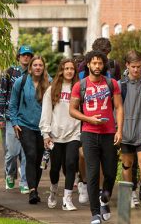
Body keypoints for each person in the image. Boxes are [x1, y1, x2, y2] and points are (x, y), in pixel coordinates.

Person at [69, 51, 123, 224]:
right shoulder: (80, 85)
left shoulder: (111, 83)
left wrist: (119, 130)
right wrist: (89, 119)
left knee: (110, 172)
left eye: (100, 63)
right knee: (92, 174)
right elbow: (72, 110)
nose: (97, 66)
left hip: (108, 134)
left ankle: (104, 199)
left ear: (103, 65)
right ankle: (95, 214)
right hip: (89, 133)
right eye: (94, 63)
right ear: (88, 65)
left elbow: (119, 108)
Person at [40, 58, 81, 211]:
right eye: (66, 68)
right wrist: (45, 133)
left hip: (74, 133)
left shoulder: (79, 88)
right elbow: (46, 112)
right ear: (61, 71)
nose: (69, 71)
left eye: (72, 69)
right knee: (55, 168)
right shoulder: (52, 89)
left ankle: (67, 200)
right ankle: (53, 192)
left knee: (71, 164)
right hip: (56, 134)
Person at [9, 55, 51, 204]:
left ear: (43, 67)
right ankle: (32, 191)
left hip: (43, 127)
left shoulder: (49, 83)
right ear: (30, 67)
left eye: (40, 65)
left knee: (39, 158)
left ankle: (35, 187)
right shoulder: (21, 81)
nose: (38, 67)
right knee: (31, 154)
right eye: (35, 65)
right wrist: (14, 123)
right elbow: (12, 104)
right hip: (24, 125)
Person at [0, 45, 33, 194]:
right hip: (10, 118)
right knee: (12, 151)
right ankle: (9, 174)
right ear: (18, 57)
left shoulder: (34, 73)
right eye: (24, 55)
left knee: (26, 152)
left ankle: (24, 181)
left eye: (29, 55)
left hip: (27, 119)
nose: (26, 57)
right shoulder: (9, 73)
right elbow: (2, 94)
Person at [118, 50, 141, 210]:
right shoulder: (121, 86)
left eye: (139, 66)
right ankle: (129, 196)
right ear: (127, 65)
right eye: (133, 66)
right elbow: (116, 109)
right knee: (127, 165)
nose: (136, 70)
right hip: (125, 132)